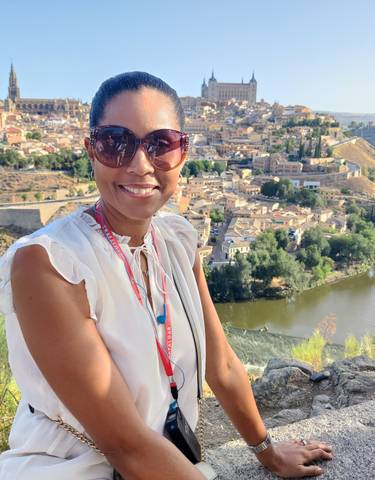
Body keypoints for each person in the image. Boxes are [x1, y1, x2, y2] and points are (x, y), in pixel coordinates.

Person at [0, 72, 332, 479]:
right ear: (90, 150)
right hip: (70, 467)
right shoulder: (48, 262)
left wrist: (267, 451)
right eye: (115, 143)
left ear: (183, 152)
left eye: (161, 144)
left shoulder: (177, 240)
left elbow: (222, 363)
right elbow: (125, 444)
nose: (141, 166)